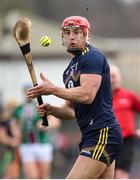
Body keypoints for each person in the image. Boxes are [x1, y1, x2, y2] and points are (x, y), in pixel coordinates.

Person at [26, 16, 123, 179]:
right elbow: (71, 112)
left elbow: (87, 95)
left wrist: (52, 89)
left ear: (86, 34)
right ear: (62, 36)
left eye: (77, 32)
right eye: (67, 32)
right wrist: (52, 110)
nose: (71, 36)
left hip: (103, 133)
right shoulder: (69, 70)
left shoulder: (92, 56)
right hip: (91, 135)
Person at [13, 84, 60, 179]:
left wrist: (44, 125)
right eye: (27, 92)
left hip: (43, 144)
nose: (29, 95)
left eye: (31, 92)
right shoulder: (19, 108)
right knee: (32, 176)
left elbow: (55, 122)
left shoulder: (41, 105)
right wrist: (16, 133)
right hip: (26, 145)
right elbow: (14, 125)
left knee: (44, 176)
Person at [110, 64, 140, 179]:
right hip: (106, 141)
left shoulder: (129, 96)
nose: (112, 80)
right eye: (109, 76)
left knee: (121, 174)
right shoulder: (101, 97)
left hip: (126, 141)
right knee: (107, 174)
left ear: (119, 77)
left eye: (114, 76)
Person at [0, 98, 21, 178]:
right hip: (6, 149)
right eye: (11, 107)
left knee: (15, 174)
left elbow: (17, 134)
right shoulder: (4, 120)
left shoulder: (15, 120)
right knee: (8, 173)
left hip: (14, 149)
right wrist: (12, 142)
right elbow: (2, 136)